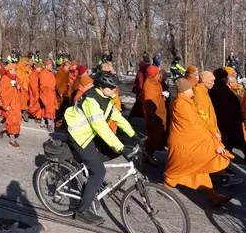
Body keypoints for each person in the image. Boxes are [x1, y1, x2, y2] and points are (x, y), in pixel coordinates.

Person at [64, 71, 139, 225]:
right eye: (112, 88)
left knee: (112, 152)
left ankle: (89, 175)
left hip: (90, 134)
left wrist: (135, 135)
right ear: (102, 86)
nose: (114, 90)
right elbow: (102, 128)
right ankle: (81, 212)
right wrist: (121, 147)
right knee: (99, 172)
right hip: (80, 137)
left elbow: (117, 118)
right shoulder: (91, 101)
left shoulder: (106, 98)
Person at [165, 78, 238, 205]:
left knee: (199, 170)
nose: (192, 90)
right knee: (179, 169)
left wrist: (213, 133)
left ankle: (213, 196)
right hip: (185, 144)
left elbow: (199, 122)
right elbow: (196, 128)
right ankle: (165, 189)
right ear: (184, 90)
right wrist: (214, 144)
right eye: (189, 88)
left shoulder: (186, 102)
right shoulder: (181, 105)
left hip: (187, 142)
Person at [209, 68, 246, 168]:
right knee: (228, 143)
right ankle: (223, 168)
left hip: (230, 120)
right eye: (226, 77)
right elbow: (225, 105)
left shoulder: (220, 88)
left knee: (235, 140)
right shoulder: (219, 89)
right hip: (227, 121)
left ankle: (244, 157)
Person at [141, 65, 168, 165]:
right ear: (154, 75)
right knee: (153, 136)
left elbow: (157, 97)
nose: (159, 75)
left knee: (157, 135)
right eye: (158, 73)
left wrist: (162, 96)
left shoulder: (155, 82)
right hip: (153, 115)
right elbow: (150, 101)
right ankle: (148, 155)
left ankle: (149, 154)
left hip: (157, 113)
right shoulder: (149, 84)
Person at [0, 63, 22, 148]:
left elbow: (18, 86)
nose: (16, 71)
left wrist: (18, 86)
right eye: (15, 69)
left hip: (16, 103)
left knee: (13, 120)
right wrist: (5, 105)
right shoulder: (5, 79)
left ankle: (0, 127)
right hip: (10, 104)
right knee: (12, 121)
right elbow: (3, 93)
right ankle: (12, 140)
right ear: (10, 70)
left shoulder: (15, 78)